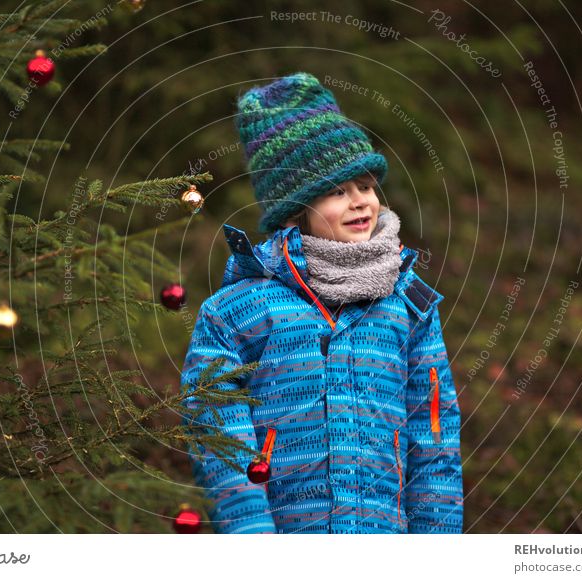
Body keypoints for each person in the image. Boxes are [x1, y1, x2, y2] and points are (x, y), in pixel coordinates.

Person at [179, 72, 462, 534]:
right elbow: (219, 440)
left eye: (366, 186)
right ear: (296, 207)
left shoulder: (406, 305)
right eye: (337, 191)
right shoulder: (237, 312)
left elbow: (434, 438)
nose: (360, 203)